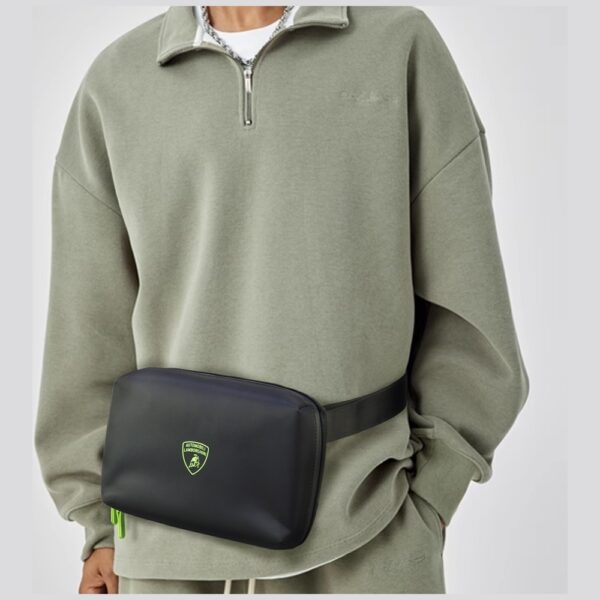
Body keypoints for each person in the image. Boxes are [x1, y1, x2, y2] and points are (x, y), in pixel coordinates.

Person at [35, 5, 529, 594]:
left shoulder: (398, 48)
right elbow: (87, 324)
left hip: (366, 530)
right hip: (164, 543)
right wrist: (99, 522)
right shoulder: (116, 81)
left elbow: (468, 300)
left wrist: (432, 494)